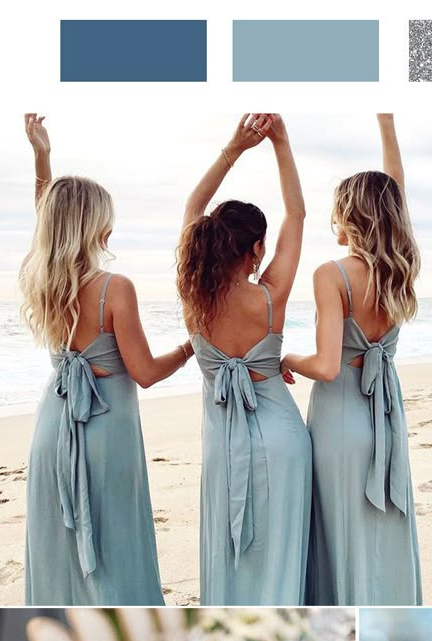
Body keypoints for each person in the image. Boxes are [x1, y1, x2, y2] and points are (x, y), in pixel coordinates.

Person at [20, 114, 191, 604]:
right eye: (105, 216)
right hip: (105, 433)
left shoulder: (45, 281)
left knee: (58, 549)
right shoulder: (115, 289)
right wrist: (191, 344)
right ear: (94, 224)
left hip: (53, 426)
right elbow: (147, 373)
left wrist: (41, 157)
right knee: (116, 544)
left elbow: (46, 217)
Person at [282, 114, 423, 605]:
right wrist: (387, 121)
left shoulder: (333, 275)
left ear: (356, 217)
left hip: (340, 423)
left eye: (338, 211)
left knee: (339, 541)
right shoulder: (399, 269)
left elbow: (325, 365)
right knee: (381, 539)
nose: (333, 221)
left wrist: (288, 360)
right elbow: (395, 192)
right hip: (386, 419)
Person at [177, 113, 311, 604]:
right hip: (283, 438)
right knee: (281, 556)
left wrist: (234, 147)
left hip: (222, 444)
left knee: (228, 557)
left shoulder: (192, 298)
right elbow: (296, 216)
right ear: (257, 249)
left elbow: (194, 205)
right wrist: (281, 141)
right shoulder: (270, 297)